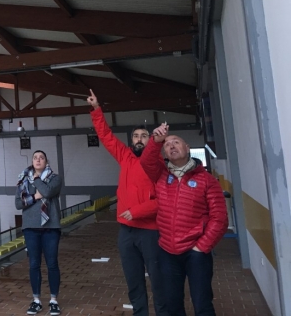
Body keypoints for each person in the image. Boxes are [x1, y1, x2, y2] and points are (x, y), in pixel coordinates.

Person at [87, 90, 166, 316]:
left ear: (151, 140)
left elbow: (164, 200)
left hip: (151, 231)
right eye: (135, 136)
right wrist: (96, 109)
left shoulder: (157, 163)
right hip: (126, 232)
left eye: (144, 135)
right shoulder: (125, 156)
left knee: (158, 280)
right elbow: (106, 136)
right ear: (131, 141)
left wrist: (138, 211)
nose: (139, 139)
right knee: (133, 280)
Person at [141, 123, 228, 316]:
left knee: (202, 305)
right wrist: (156, 141)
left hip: (195, 252)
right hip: (167, 252)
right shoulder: (161, 175)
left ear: (187, 147)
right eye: (167, 144)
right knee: (172, 305)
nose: (171, 145)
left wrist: (201, 247)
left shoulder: (207, 180)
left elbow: (219, 218)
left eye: (176, 142)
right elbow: (146, 162)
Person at [16, 150, 63, 315]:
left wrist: (36, 179)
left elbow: (49, 192)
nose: (38, 160)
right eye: (35, 157)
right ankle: (36, 300)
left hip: (51, 227)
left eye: (41, 158)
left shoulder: (55, 178)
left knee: (52, 264)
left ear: (46, 161)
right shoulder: (23, 179)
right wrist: (34, 197)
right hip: (30, 228)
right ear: (32, 161)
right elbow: (18, 203)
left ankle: (53, 300)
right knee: (34, 264)